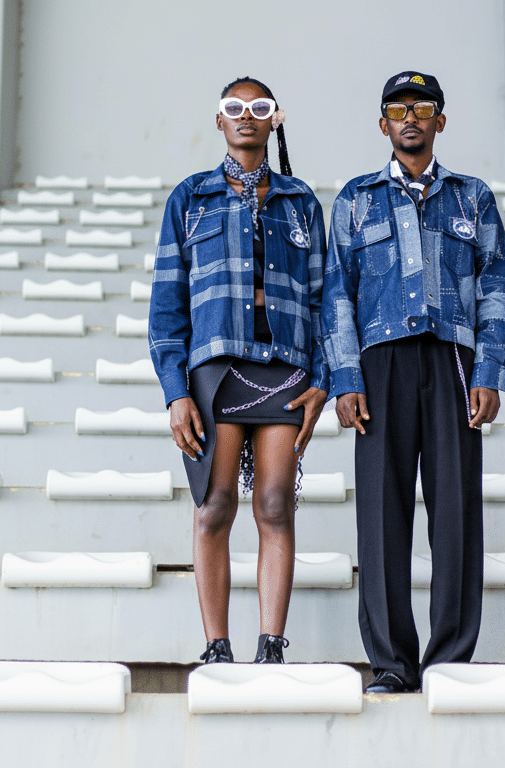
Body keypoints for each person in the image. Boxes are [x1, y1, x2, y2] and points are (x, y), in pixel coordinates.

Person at [322, 71, 505, 694]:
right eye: (398, 109)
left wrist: (489, 369)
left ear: (440, 120)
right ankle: (391, 664)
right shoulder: (356, 199)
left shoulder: (472, 197)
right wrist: (345, 376)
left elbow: (497, 285)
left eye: (422, 107)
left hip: (453, 360)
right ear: (383, 124)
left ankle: (449, 659)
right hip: (379, 365)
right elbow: (337, 294)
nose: (410, 117)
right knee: (381, 514)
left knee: (455, 512)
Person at [149, 77, 328, 666]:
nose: (246, 115)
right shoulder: (190, 198)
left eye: (259, 107)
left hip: (284, 366)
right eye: (234, 107)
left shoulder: (300, 201)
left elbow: (324, 299)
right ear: (220, 120)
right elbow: (167, 305)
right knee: (216, 503)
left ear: (275, 119)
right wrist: (176, 392)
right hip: (216, 368)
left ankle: (271, 645)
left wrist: (323, 378)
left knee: (275, 503)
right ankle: (217, 646)